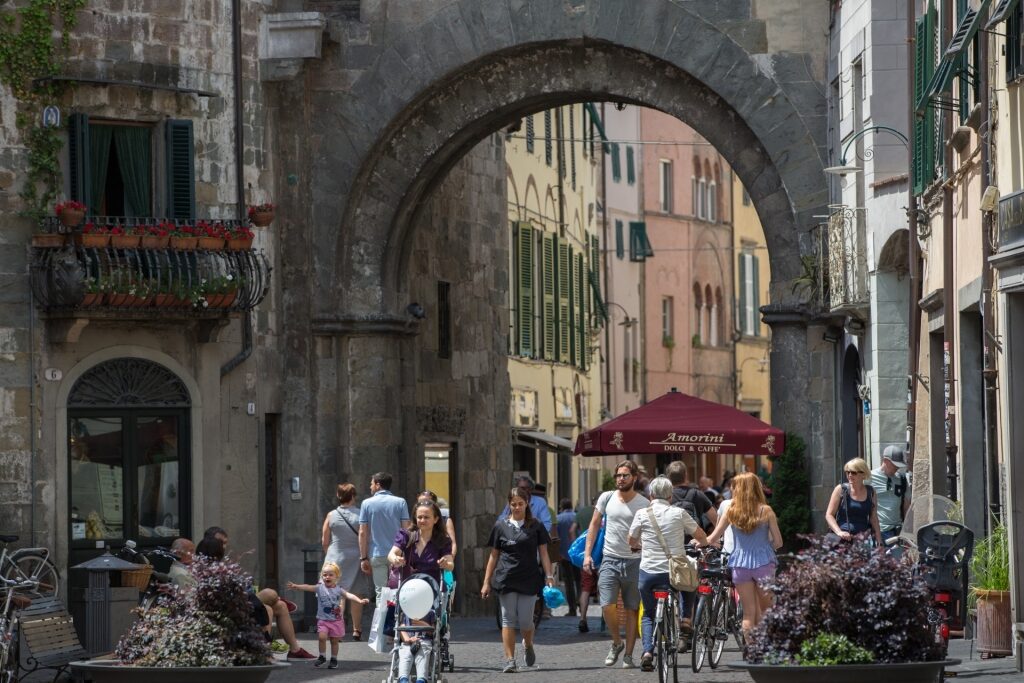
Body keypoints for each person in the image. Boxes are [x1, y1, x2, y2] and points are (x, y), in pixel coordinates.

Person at [628, 477, 708, 671]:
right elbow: (701, 536)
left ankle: (648, 652)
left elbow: (631, 540)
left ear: (651, 495)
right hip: (673, 572)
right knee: (689, 582)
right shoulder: (679, 513)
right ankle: (685, 620)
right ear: (670, 496)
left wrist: (638, 546)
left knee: (648, 614)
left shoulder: (641, 513)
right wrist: (698, 543)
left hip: (648, 573)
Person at [200, 528, 315, 660]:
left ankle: (295, 650)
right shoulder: (204, 565)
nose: (224, 546)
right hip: (229, 609)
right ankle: (264, 653)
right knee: (268, 604)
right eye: (221, 542)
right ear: (209, 541)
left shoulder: (220, 563)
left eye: (225, 543)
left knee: (280, 605)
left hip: (239, 602)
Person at [481, 487, 556, 673]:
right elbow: (493, 556)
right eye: (513, 504)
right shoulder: (500, 526)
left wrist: (549, 576)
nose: (516, 507)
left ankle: (528, 643)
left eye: (520, 504)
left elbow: (544, 554)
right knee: (508, 619)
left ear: (527, 504)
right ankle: (510, 660)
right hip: (506, 578)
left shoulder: (536, 526)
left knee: (525, 622)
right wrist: (486, 582)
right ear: (509, 505)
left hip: (529, 578)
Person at [583, 460, 649, 668]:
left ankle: (628, 655)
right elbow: (593, 525)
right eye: (618, 475)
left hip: (634, 562)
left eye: (625, 475)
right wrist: (587, 555)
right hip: (610, 559)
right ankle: (616, 642)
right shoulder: (606, 498)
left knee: (631, 609)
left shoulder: (644, 504)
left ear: (634, 477)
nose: (621, 479)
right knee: (606, 605)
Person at [701, 472, 783, 633]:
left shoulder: (731, 511)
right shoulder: (766, 511)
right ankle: (764, 649)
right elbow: (779, 542)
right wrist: (765, 546)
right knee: (767, 610)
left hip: (739, 564)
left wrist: (698, 542)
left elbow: (712, 538)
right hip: (764, 563)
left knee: (748, 614)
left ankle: (751, 653)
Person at [665, 460, 718, 635]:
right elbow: (715, 519)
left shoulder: (664, 496)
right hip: (692, 547)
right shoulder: (696, 495)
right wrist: (711, 539)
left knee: (671, 584)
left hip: (668, 548)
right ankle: (687, 620)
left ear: (668, 478)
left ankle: (669, 619)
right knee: (690, 583)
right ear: (686, 476)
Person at [287, 562, 369, 669]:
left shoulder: (339, 589)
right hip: (323, 620)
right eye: (325, 574)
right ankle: (322, 656)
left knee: (334, 641)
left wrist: (360, 601)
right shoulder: (320, 588)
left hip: (336, 621)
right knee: (322, 637)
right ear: (322, 576)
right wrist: (296, 586)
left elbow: (349, 595)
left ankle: (334, 659)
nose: (327, 577)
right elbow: (308, 587)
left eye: (330, 575)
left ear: (337, 577)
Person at [322, 482, 370, 640]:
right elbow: (365, 536)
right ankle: (357, 629)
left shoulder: (331, 515)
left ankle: (338, 629)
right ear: (354, 496)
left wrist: (329, 554)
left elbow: (325, 539)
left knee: (337, 594)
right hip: (356, 557)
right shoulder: (361, 514)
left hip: (335, 556)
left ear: (338, 496)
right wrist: (364, 556)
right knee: (356, 593)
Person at [359, 472, 412, 601]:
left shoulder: (366, 504)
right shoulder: (401, 502)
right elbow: (406, 529)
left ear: (378, 485)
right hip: (397, 553)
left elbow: (362, 532)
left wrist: (363, 557)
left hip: (377, 553)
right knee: (397, 590)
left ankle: (382, 620)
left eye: (371, 484)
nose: (370, 487)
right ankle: (396, 619)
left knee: (381, 593)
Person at [387, 501, 454, 585]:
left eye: (426, 517)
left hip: (432, 589)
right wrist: (395, 559)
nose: (422, 520)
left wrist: (445, 564)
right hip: (408, 588)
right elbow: (391, 554)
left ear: (436, 519)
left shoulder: (443, 540)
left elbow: (451, 565)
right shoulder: (406, 535)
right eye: (419, 517)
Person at [825, 457, 883, 546]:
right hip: (841, 541)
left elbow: (874, 518)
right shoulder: (841, 489)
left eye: (853, 472)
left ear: (863, 474)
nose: (850, 475)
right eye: (847, 472)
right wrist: (839, 532)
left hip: (862, 541)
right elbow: (829, 515)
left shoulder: (871, 492)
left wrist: (879, 541)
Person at [870, 445, 911, 542]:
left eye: (899, 465)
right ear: (885, 461)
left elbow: (907, 507)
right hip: (877, 531)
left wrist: (908, 530)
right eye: (894, 465)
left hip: (897, 531)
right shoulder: (869, 478)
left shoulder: (902, 479)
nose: (897, 468)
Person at [555, 498, 579, 617]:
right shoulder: (577, 517)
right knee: (580, 581)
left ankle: (572, 609)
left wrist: (557, 554)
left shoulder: (558, 519)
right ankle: (581, 603)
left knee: (568, 583)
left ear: (561, 507)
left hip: (564, 555)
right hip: (578, 554)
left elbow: (556, 538)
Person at [418, 490, 458, 558]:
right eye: (420, 503)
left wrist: (449, 559)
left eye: (426, 502)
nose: (423, 505)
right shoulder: (417, 520)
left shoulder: (445, 519)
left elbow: (452, 543)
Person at [396, 613, 434, 683]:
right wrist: (407, 639)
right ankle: (403, 679)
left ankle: (421, 679)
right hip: (408, 641)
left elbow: (432, 631)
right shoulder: (406, 612)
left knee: (422, 655)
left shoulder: (430, 612)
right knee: (406, 653)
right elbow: (402, 627)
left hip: (423, 640)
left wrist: (420, 623)